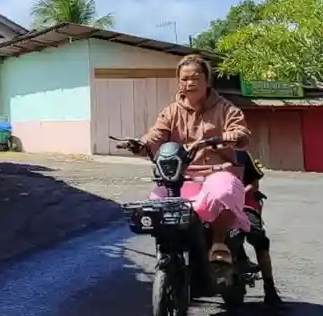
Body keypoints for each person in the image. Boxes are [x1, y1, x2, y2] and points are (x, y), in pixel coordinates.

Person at [120, 53, 252, 265]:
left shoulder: (226, 108)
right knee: (157, 204)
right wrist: (140, 144)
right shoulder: (171, 112)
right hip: (181, 178)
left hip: (217, 172)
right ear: (178, 82)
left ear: (207, 80)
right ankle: (168, 249)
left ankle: (219, 243)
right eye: (184, 79)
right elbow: (156, 135)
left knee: (223, 192)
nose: (190, 83)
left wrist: (234, 136)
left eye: (195, 77)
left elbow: (241, 133)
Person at [236, 148, 284, 306]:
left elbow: (254, 182)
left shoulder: (241, 155)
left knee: (259, 239)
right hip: (216, 205)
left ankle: (270, 289)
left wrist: (238, 194)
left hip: (244, 202)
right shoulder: (201, 155)